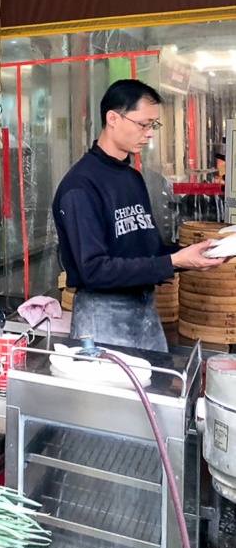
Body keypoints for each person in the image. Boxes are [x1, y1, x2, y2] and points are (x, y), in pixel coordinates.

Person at [52, 79, 225, 350]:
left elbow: (146, 248)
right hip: (102, 319)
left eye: (152, 125)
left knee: (155, 388)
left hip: (145, 312)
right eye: (143, 124)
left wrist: (194, 254)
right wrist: (172, 262)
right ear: (113, 118)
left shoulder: (133, 178)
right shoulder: (80, 187)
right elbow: (95, 270)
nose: (150, 133)